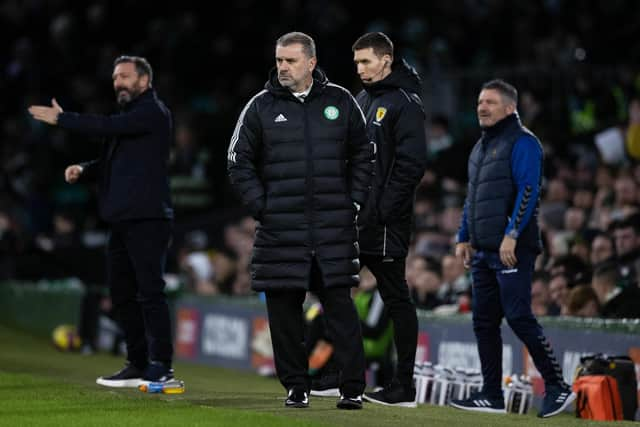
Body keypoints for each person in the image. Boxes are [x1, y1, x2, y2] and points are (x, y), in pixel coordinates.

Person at [227, 32, 373, 410]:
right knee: (284, 311)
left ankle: (352, 387)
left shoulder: (341, 100)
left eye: (290, 61)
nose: (282, 67)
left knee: (340, 307)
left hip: (332, 227)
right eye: (279, 60)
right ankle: (296, 386)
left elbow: (364, 154)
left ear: (311, 63)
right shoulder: (260, 106)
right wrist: (263, 206)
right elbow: (236, 161)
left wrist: (354, 202)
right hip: (280, 228)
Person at [28, 56, 175, 387]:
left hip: (148, 218)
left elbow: (105, 128)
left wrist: (63, 118)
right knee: (122, 294)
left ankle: (162, 366)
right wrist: (85, 169)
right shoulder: (129, 118)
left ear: (144, 81)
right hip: (122, 219)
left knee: (150, 293)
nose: (118, 83)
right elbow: (115, 158)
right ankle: (137, 363)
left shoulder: (152, 112)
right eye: (114, 78)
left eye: (124, 77)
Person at [450, 79, 575, 417]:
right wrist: (463, 235)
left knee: (518, 315)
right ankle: (491, 395)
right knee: (483, 321)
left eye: (490, 102)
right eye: (479, 101)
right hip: (484, 252)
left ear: (509, 108)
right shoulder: (479, 148)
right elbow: (473, 197)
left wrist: (513, 233)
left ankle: (558, 386)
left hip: (511, 249)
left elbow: (530, 189)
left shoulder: (524, 142)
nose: (482, 107)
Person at [349, 31, 427, 408]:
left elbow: (411, 164)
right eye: (357, 63)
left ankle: (404, 385)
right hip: (357, 218)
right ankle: (344, 375)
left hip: (384, 223)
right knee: (331, 286)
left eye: (366, 61)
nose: (360, 69)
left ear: (386, 60)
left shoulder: (405, 104)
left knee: (395, 296)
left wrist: (381, 211)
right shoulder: (363, 100)